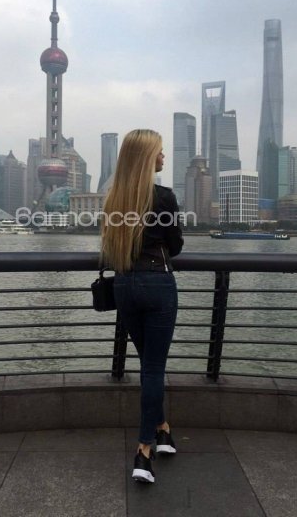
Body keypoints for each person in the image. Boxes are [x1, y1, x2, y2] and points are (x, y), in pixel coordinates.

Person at [101, 129, 183, 484]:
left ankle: (163, 429)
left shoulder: (113, 199)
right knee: (153, 368)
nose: (164, 157)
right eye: (160, 152)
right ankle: (144, 450)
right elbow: (175, 246)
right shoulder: (164, 197)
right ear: (148, 158)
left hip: (124, 286)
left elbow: (110, 246)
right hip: (157, 285)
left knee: (149, 364)